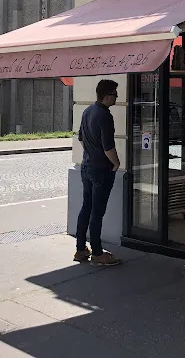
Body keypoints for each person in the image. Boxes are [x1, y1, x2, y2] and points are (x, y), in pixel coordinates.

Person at [74, 79, 122, 265]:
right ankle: (97, 253)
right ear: (108, 96)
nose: (116, 99)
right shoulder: (105, 116)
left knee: (86, 208)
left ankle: (80, 250)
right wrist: (116, 163)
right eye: (115, 95)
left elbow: (81, 138)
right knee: (97, 212)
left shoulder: (87, 111)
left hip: (86, 167)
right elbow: (108, 146)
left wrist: (91, 153)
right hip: (101, 170)